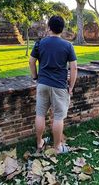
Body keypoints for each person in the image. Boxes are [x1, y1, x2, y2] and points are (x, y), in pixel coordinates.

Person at [29, 15, 78, 154]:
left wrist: (35, 77)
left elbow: (31, 62)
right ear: (62, 29)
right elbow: (74, 68)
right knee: (58, 117)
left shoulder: (40, 43)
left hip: (42, 83)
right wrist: (71, 87)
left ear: (49, 27)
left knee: (40, 114)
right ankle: (57, 147)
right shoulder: (68, 45)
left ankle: (39, 143)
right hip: (59, 86)